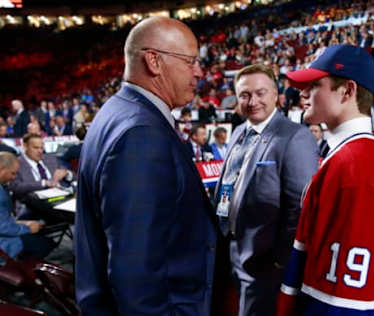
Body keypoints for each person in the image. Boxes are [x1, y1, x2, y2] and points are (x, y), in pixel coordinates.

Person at [75, 17, 218, 315]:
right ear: (154, 61)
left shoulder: (117, 111)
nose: (199, 72)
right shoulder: (141, 135)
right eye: (190, 61)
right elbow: (134, 270)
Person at [277, 44, 374, 315]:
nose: (303, 93)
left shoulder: (358, 167)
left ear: (347, 90)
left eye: (314, 84)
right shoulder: (355, 157)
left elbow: (344, 304)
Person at [214, 64, 318, 316]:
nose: (253, 101)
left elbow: (300, 208)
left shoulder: (296, 137)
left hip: (264, 259)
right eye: (245, 95)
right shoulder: (239, 131)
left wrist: (279, 260)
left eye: (260, 93)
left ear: (276, 95)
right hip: (228, 246)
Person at [0, 152, 54, 260]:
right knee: (45, 243)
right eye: (12, 173)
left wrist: (18, 223)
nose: (14, 177)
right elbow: (3, 228)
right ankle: (19, 270)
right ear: (1, 169)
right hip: (3, 243)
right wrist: (27, 229)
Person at [9, 133, 74, 201]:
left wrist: (67, 173)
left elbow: (74, 177)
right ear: (25, 147)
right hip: (32, 204)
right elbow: (15, 187)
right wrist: (43, 183)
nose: (40, 151)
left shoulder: (51, 159)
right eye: (36, 148)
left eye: (41, 148)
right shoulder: (17, 163)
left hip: (59, 198)